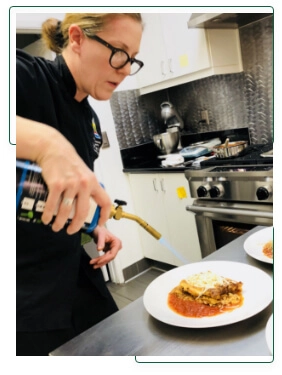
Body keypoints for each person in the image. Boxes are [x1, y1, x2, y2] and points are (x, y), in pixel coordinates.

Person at [16, 13, 144, 356]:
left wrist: (96, 225)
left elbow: (64, 188)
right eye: (119, 52)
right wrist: (46, 144)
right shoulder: (26, 77)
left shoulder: (89, 119)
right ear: (77, 38)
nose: (126, 68)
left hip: (74, 271)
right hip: (22, 295)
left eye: (133, 59)